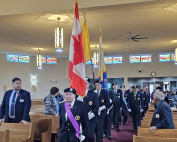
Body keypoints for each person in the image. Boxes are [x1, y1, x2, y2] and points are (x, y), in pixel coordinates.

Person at [82, 77, 99, 142]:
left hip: (91, 119)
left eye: (85, 83)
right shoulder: (78, 95)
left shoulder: (93, 94)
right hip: (81, 120)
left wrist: (89, 117)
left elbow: (96, 107)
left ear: (88, 84)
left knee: (89, 135)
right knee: (82, 137)